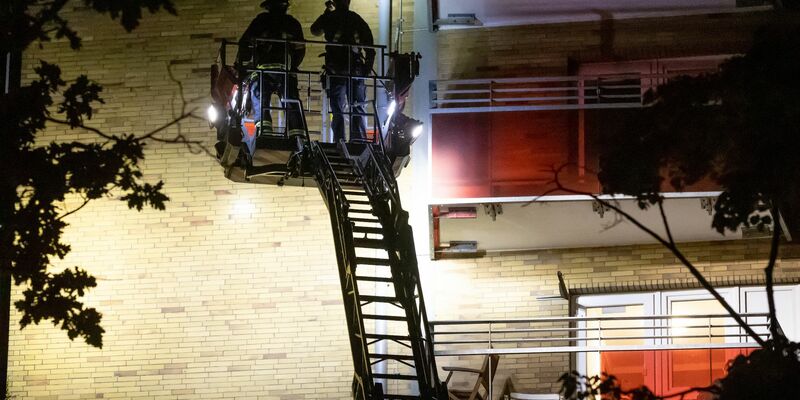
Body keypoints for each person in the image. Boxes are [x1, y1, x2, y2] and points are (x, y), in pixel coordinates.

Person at [237, 0, 306, 154]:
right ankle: (298, 135)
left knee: (259, 98)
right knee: (291, 101)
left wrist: (242, 65)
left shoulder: (260, 21)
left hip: (263, 71)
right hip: (285, 71)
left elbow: (244, 44)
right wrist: (292, 66)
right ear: (285, 7)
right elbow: (300, 50)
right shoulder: (292, 23)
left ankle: (264, 132)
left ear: (268, 7)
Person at [311, 0, 375, 143]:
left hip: (336, 71)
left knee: (337, 109)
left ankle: (339, 141)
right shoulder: (356, 19)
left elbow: (315, 30)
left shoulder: (330, 18)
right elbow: (370, 48)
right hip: (356, 72)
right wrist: (366, 69)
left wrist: (327, 12)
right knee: (357, 107)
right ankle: (358, 141)